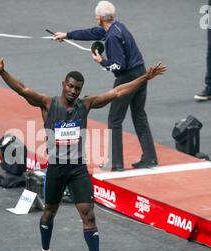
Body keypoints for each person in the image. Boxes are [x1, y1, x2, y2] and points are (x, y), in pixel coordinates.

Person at [0, 56, 166, 251]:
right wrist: (3, 72)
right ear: (63, 84)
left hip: (78, 169)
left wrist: (145, 77)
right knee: (49, 213)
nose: (73, 91)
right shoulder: (48, 104)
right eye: (70, 86)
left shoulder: (86, 104)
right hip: (56, 169)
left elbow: (118, 92)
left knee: (88, 215)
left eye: (77, 88)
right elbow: (22, 89)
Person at [53, 1, 158, 170]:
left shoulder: (112, 37)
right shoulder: (117, 27)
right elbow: (92, 33)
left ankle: (115, 163)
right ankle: (150, 157)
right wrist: (67, 35)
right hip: (141, 73)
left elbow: (118, 65)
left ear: (99, 18)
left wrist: (101, 61)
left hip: (126, 78)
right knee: (139, 115)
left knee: (114, 120)